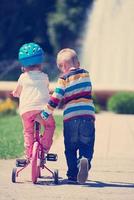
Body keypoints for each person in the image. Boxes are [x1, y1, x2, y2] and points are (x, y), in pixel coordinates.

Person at [39, 48, 95, 184]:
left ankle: (72, 174)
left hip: (70, 118)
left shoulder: (63, 79)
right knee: (87, 145)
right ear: (78, 63)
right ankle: (84, 160)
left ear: (62, 67)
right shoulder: (86, 74)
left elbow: (56, 97)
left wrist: (45, 113)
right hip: (87, 116)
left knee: (70, 148)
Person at [12, 42, 55, 162]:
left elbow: (17, 91)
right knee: (50, 126)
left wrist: (15, 94)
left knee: (28, 131)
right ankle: (45, 149)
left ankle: (29, 154)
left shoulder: (22, 77)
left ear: (23, 66)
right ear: (41, 65)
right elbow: (46, 90)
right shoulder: (45, 76)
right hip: (43, 109)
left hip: (26, 110)